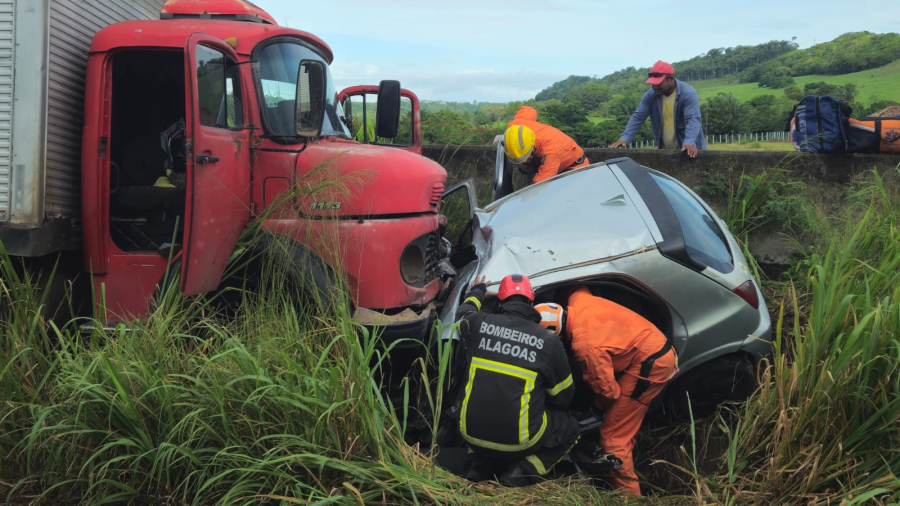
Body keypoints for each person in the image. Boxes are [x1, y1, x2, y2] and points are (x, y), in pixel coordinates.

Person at [536, 285, 677, 495]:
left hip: (651, 366)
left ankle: (630, 498)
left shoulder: (585, 347)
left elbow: (609, 393)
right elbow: (575, 287)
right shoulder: (578, 301)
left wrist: (597, 408)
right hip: (652, 343)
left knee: (614, 438)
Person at [455, 273, 580, 486]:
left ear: (500, 300)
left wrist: (479, 291)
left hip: (469, 434)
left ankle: (477, 465)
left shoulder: (478, 324)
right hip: (521, 443)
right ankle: (522, 472)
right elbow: (563, 397)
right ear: (532, 301)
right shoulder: (548, 342)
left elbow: (463, 313)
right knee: (570, 428)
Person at [609, 61, 707, 158]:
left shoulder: (688, 93)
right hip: (664, 151)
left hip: (689, 150)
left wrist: (689, 141)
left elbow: (692, 119)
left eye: (659, 83)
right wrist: (624, 139)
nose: (655, 87)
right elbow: (638, 117)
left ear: (671, 79)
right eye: (653, 83)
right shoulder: (650, 95)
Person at [497, 106, 590, 184]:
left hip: (574, 169)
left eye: (526, 156)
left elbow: (539, 186)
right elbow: (529, 110)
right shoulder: (515, 127)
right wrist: (502, 138)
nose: (525, 161)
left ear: (532, 144)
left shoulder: (551, 152)